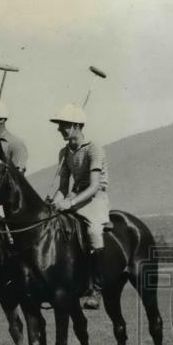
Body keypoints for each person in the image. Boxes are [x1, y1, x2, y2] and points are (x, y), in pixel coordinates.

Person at [48, 103, 110, 310]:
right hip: (75, 197)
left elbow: (93, 186)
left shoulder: (94, 148)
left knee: (93, 231)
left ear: (76, 125)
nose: (59, 129)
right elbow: (63, 187)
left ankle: (97, 289)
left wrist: (70, 202)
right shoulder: (63, 152)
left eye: (63, 125)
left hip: (96, 198)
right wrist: (56, 201)